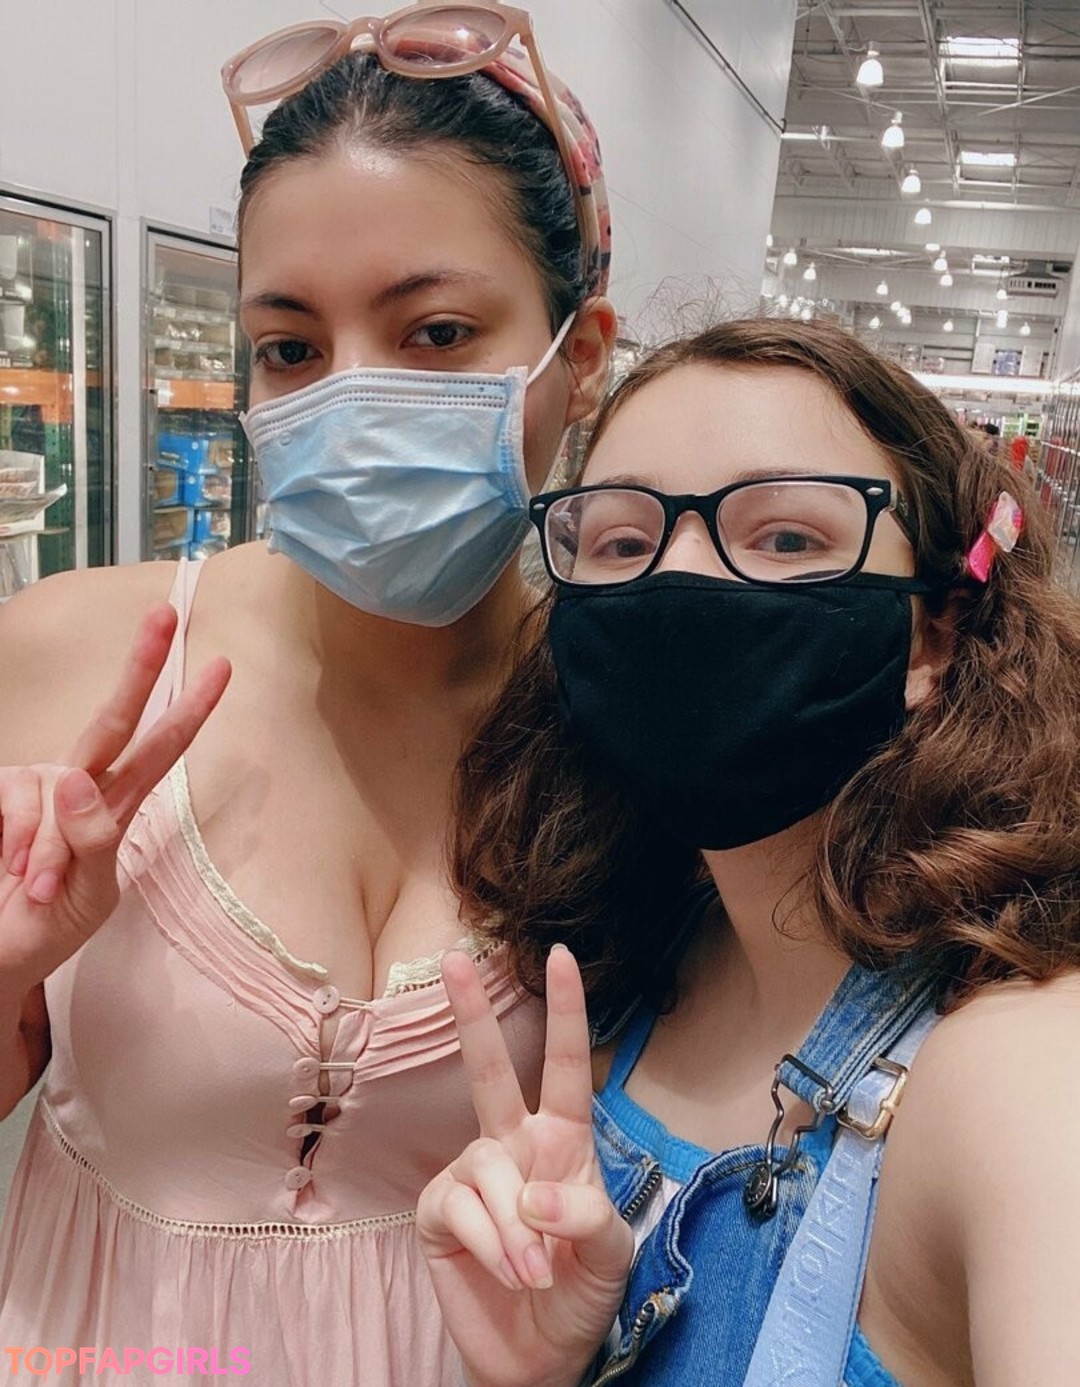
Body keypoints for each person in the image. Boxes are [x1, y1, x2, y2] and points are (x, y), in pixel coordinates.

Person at [0, 8, 615, 1382]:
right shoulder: (69, 657)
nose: (353, 400)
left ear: (582, 354)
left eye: (436, 331)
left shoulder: (623, 724)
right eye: (289, 347)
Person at [416, 318, 1080, 1386]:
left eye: (785, 538)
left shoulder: (1018, 1073)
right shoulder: (631, 972)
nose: (679, 576)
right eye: (622, 542)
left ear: (934, 632)